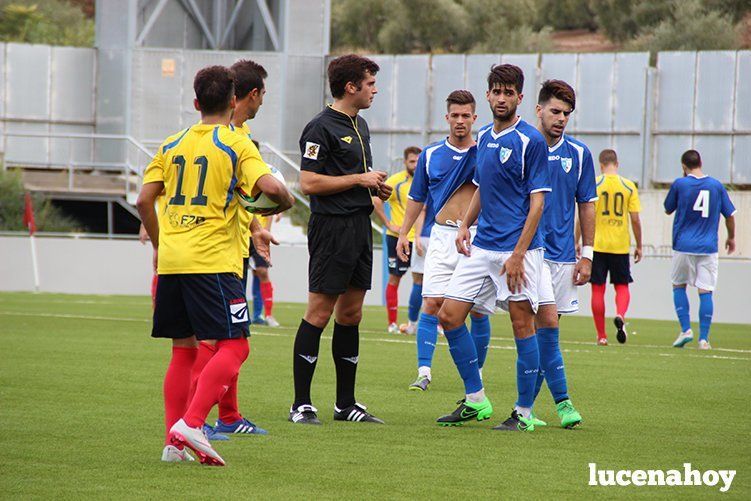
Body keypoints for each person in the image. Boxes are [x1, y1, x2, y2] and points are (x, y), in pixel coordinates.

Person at [136, 65, 293, 465]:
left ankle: (173, 445)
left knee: (182, 350)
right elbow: (271, 188)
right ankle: (191, 423)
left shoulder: (171, 143)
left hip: (173, 259)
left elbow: (143, 201)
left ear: (195, 102)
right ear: (232, 101)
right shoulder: (236, 144)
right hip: (213, 262)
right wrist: (286, 202)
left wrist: (160, 244)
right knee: (236, 345)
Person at [438, 64, 550, 432]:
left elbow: (537, 204)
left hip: (517, 251)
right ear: (487, 96)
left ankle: (524, 413)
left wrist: (518, 254)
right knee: (449, 316)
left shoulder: (530, 141)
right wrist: (465, 225)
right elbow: (482, 187)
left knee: (522, 326)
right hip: (482, 246)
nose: (501, 98)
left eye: (509, 92)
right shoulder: (483, 137)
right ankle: (475, 400)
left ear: (520, 97)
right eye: (496, 92)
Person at [290, 54, 392, 425]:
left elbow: (355, 177)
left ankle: (345, 404)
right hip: (331, 229)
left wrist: (376, 189)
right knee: (319, 312)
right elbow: (309, 182)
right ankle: (301, 404)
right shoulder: (320, 128)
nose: (374, 90)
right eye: (370, 83)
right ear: (351, 87)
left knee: (351, 315)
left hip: (359, 228)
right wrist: (358, 181)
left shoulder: (359, 125)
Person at [184, 59, 273, 441]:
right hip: (214, 251)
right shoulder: (223, 137)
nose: (262, 102)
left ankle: (229, 416)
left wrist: (255, 228)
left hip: (233, 246)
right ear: (246, 95)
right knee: (219, 341)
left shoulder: (242, 133)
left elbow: (238, 194)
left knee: (227, 337)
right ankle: (195, 421)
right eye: (262, 94)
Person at [395, 90, 490, 393]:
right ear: (446, 117)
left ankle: (476, 373)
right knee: (431, 302)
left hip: (477, 238)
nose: (460, 121)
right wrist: (403, 233)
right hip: (441, 236)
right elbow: (416, 197)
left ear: (475, 119)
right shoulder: (431, 155)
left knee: (476, 310)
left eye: (466, 116)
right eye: (455, 115)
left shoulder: (485, 152)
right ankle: (424, 371)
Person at [531, 79, 595, 428]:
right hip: (525, 254)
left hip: (562, 258)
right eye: (555, 111)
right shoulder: (522, 145)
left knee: (546, 333)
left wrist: (587, 255)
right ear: (538, 109)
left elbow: (586, 205)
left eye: (567, 114)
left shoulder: (580, 154)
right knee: (542, 329)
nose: (561, 118)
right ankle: (563, 403)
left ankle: (521, 407)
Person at [666, 150, 736, 350]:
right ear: (701, 163)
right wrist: (731, 237)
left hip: (683, 245)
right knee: (705, 291)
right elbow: (730, 215)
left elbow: (668, 208)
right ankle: (703, 339)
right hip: (708, 247)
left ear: (683, 166)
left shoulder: (680, 184)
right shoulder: (716, 186)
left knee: (678, 285)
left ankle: (686, 329)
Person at [589, 149, 642, 345]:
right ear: (616, 164)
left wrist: (578, 241)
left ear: (601, 165)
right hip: (620, 245)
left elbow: (586, 215)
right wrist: (640, 245)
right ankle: (620, 314)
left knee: (597, 290)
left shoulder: (595, 184)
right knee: (621, 286)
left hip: (598, 244)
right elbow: (635, 219)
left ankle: (602, 336)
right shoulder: (628, 186)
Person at [372, 146, 422, 334]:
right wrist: (388, 224)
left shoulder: (427, 179)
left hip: (420, 240)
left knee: (425, 282)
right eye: (412, 161)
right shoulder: (396, 181)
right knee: (395, 278)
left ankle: (420, 323)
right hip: (397, 238)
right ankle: (392, 323)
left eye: (418, 161)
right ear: (405, 162)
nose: (415, 165)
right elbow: (376, 200)